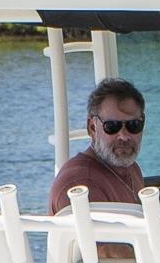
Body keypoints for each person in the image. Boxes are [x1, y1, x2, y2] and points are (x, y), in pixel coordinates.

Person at [49, 78, 147, 208]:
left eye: (133, 125)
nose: (124, 136)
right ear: (92, 128)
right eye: (112, 126)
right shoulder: (81, 186)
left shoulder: (132, 169)